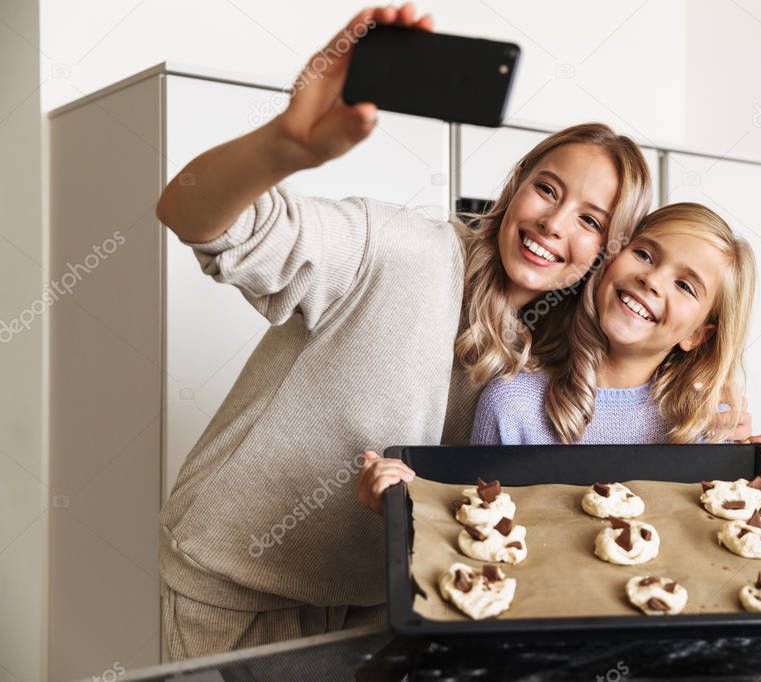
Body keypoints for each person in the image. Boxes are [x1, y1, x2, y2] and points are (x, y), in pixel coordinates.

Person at [155, 3, 672, 660]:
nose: (554, 224)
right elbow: (193, 215)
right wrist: (285, 143)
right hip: (239, 597)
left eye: (590, 220)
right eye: (547, 189)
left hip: (391, 612)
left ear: (607, 250)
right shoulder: (398, 249)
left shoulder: (552, 355)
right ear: (514, 188)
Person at [469, 202, 761, 470]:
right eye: (643, 255)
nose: (652, 280)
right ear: (609, 259)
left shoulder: (706, 426)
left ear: (698, 334)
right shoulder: (511, 404)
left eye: (685, 286)